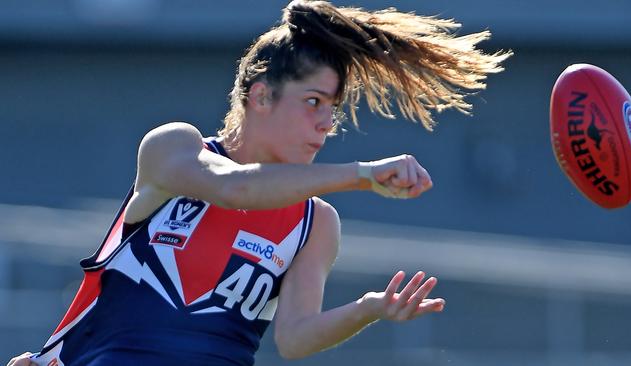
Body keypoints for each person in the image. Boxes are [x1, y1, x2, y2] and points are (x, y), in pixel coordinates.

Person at [7, 1, 511, 365]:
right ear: (260, 95)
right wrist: (361, 175)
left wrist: (369, 310)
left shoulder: (316, 223)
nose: (324, 125)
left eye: (332, 111)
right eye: (313, 102)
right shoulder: (175, 150)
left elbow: (293, 339)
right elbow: (236, 190)